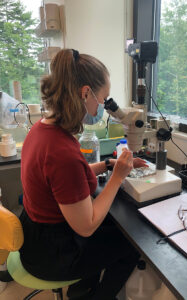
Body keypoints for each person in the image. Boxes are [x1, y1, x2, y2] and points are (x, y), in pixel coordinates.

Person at [19, 48, 147, 300]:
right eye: (103, 98)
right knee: (131, 245)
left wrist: (109, 165)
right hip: (52, 254)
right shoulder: (61, 150)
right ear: (85, 92)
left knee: (111, 226)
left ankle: (81, 288)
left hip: (35, 237)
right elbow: (86, 226)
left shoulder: (42, 130)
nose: (104, 106)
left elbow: (66, 180)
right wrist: (119, 177)